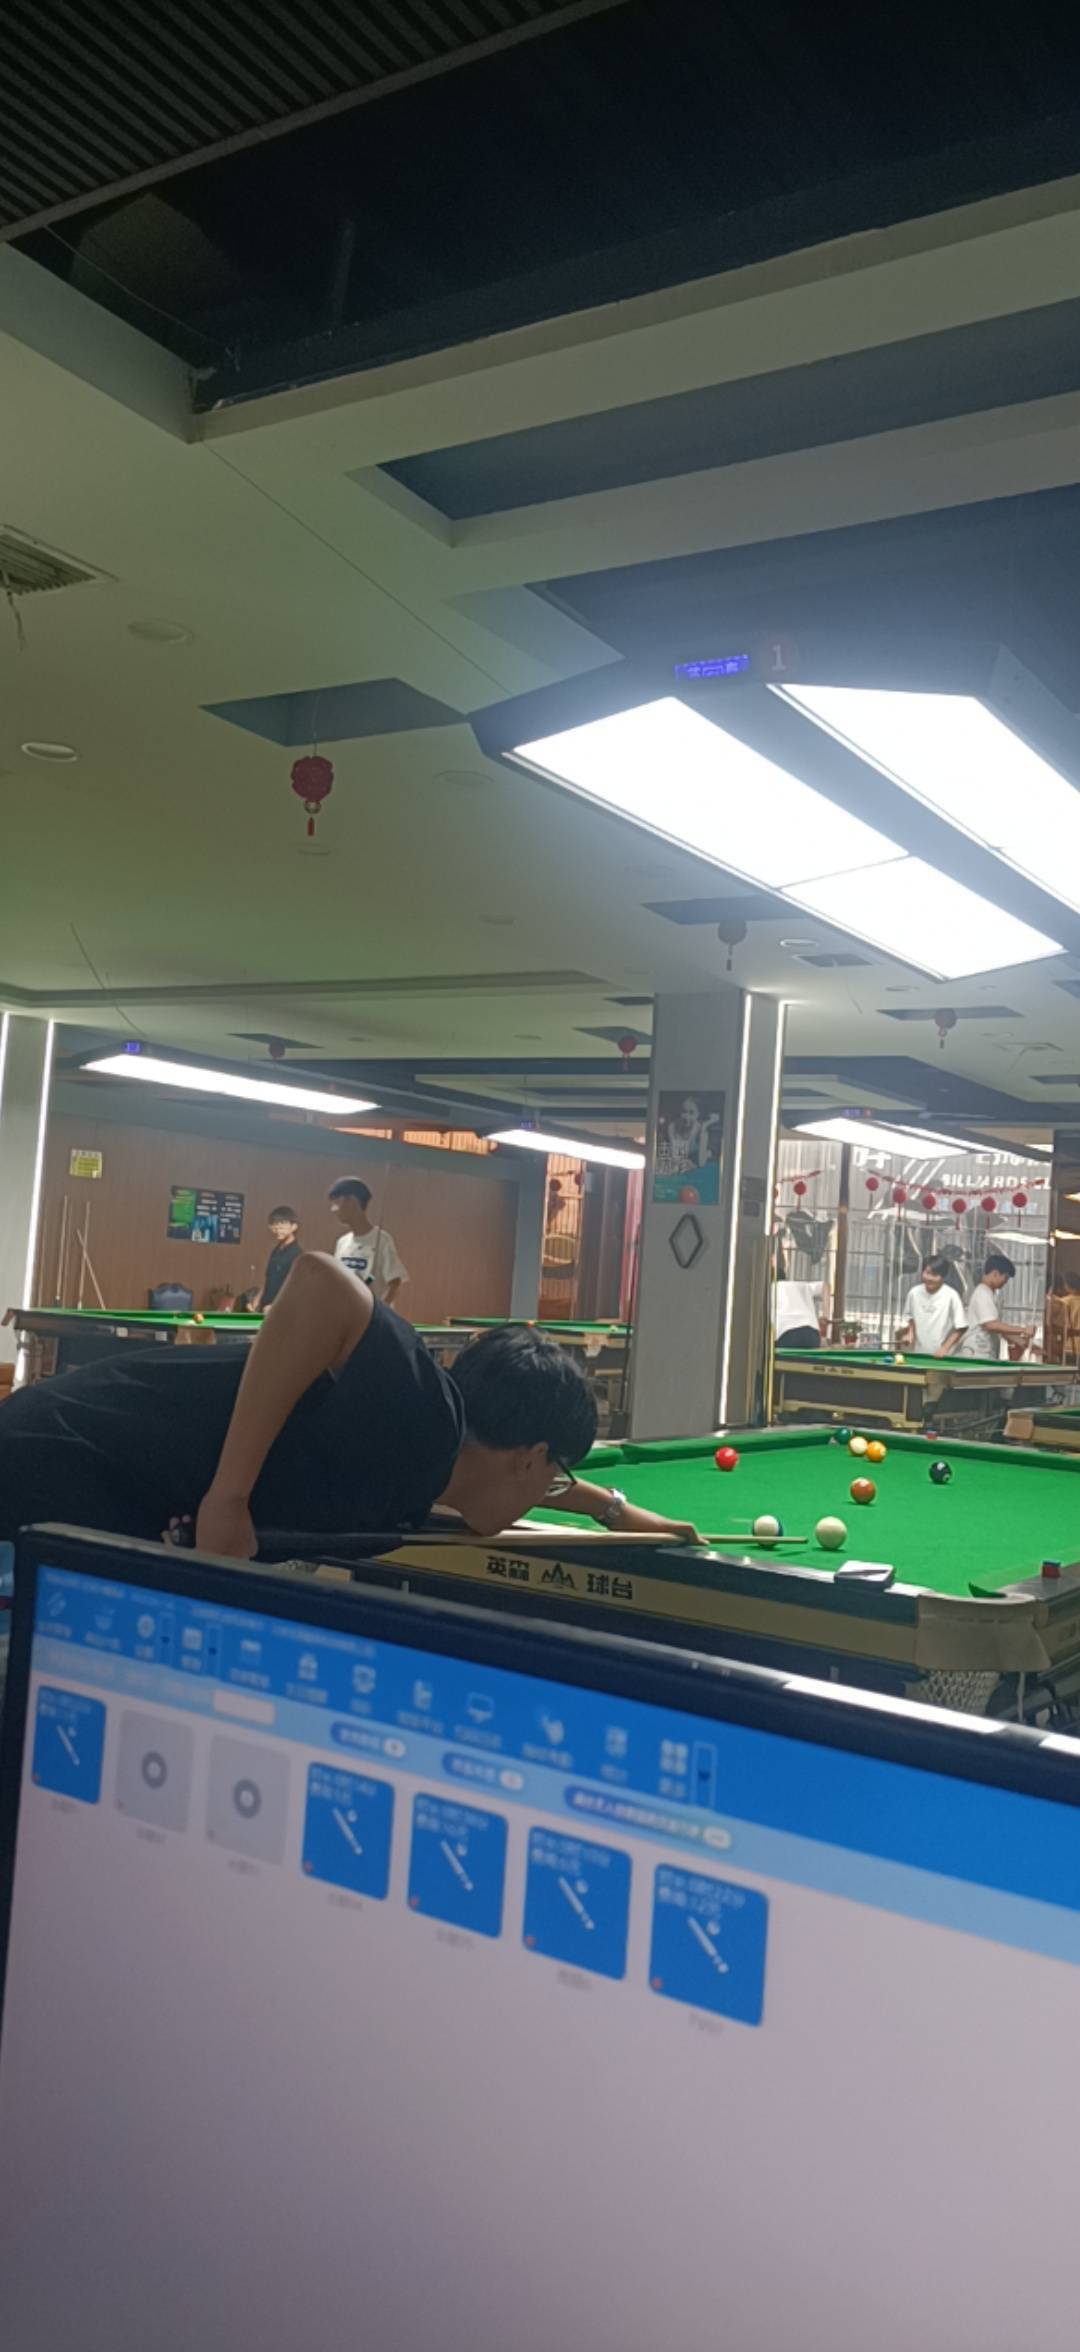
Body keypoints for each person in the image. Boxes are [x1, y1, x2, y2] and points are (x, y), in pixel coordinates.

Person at [0, 1253, 700, 1557]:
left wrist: (617, 1512)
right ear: (530, 1458)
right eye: (550, 1477)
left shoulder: (442, 1456)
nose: (547, 1489)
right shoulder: (425, 1421)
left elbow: (523, 1481)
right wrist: (229, 1499)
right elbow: (319, 1282)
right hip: (53, 1455)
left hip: (76, 1455)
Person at [328, 1177, 407, 1308]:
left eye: (336, 1203)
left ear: (352, 1201)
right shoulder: (342, 1242)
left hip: (371, 1317)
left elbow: (395, 1282)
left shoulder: (382, 1240)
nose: (333, 1209)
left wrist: (379, 1312)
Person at [959, 1253, 1034, 1360]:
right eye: (1005, 1278)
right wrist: (1023, 1330)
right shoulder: (982, 1293)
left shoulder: (992, 1295)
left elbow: (997, 1327)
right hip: (976, 1351)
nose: (1006, 1282)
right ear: (995, 1274)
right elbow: (991, 1325)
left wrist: (1019, 1341)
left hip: (986, 1350)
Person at [896, 1255, 967, 1357]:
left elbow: (961, 1327)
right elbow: (910, 1318)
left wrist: (945, 1348)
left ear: (943, 1277)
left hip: (941, 1357)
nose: (929, 1278)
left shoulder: (951, 1295)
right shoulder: (914, 1293)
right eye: (927, 1273)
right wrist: (910, 1333)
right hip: (918, 1354)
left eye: (935, 1275)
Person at [255, 1205, 302, 1311]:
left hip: (282, 1310)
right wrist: (257, 1299)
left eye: (281, 1226)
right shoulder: (275, 1251)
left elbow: (295, 1287)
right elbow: (269, 1279)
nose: (277, 1230)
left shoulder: (298, 1255)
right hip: (265, 1307)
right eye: (274, 1225)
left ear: (294, 1227)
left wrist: (276, 1306)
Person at [772, 1274, 827, 1349]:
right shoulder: (799, 1285)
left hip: (785, 1333)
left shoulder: (770, 1288)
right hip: (811, 1333)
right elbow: (825, 1287)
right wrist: (825, 1316)